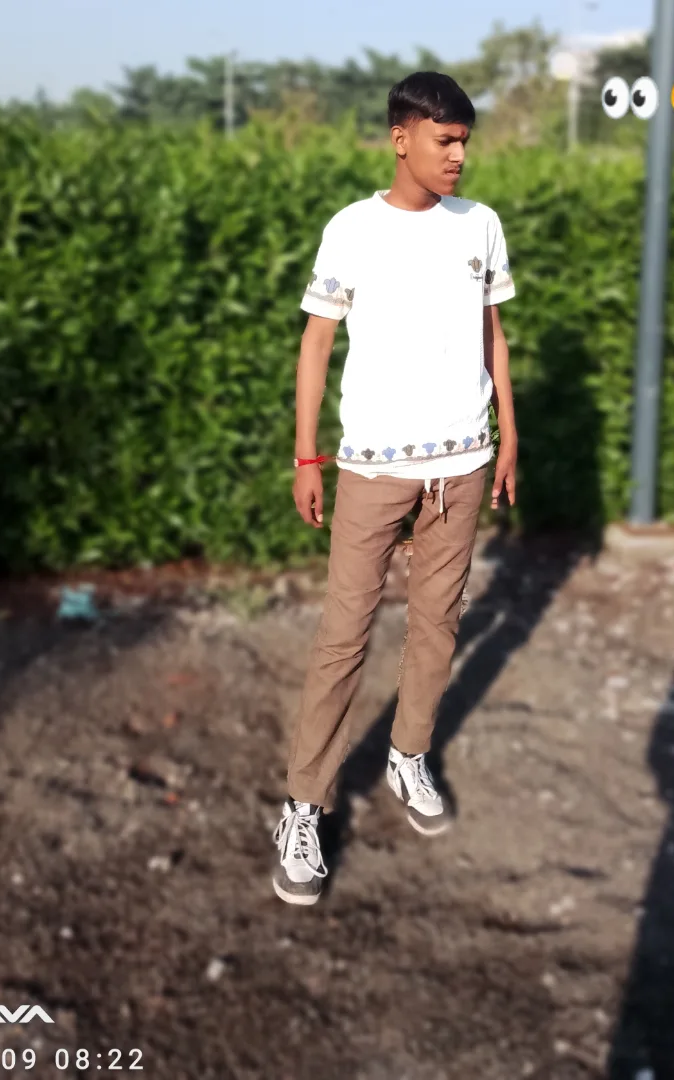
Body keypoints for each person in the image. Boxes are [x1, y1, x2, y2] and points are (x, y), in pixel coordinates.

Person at [271, 71, 518, 905]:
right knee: (343, 637)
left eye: (465, 142)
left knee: (437, 627)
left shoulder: (480, 224)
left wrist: (508, 434)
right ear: (401, 138)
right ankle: (304, 806)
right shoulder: (353, 229)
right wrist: (307, 457)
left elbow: (493, 333)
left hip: (463, 464)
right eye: (445, 140)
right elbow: (316, 343)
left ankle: (408, 754)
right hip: (373, 470)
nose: (458, 156)